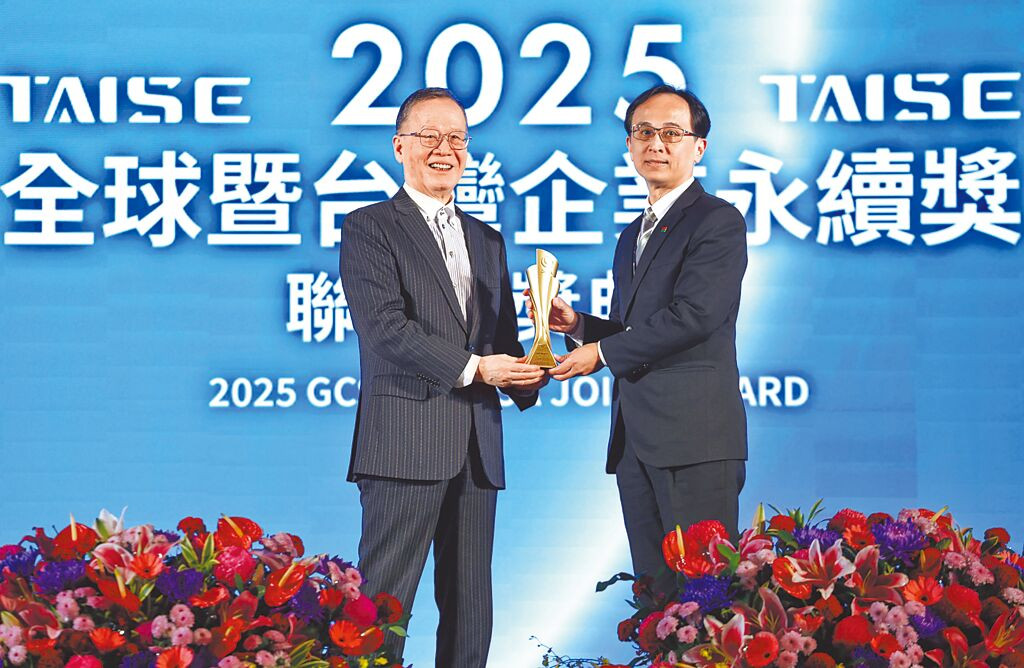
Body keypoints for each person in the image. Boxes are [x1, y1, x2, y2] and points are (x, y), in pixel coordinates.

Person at [339, 87, 546, 666]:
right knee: (381, 608)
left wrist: (532, 369)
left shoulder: (487, 239)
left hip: (478, 447)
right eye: (429, 136)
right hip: (404, 443)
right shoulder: (370, 227)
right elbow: (385, 330)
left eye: (457, 138)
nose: (444, 149)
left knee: (470, 609)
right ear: (399, 146)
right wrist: (477, 368)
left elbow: (500, 343)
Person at [532, 84, 747, 594]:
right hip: (637, 441)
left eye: (671, 133)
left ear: (698, 147)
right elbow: (634, 330)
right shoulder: (633, 233)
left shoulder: (716, 220)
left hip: (694, 440)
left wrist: (601, 353)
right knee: (656, 600)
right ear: (629, 145)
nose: (656, 143)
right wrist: (578, 326)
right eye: (644, 132)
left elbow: (695, 316)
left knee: (706, 600)